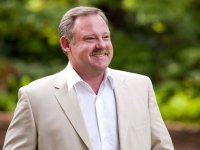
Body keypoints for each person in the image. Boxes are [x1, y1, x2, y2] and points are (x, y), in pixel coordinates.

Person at [3, 6, 174, 150]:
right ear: (66, 44)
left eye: (105, 37)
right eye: (90, 38)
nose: (101, 45)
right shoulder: (34, 98)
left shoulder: (141, 87)